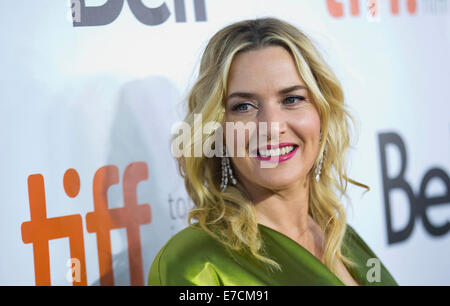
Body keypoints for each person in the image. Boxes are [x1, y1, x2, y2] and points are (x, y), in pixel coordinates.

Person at [148, 17, 398, 286]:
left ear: (322, 114)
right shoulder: (196, 265)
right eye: (243, 106)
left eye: (292, 99)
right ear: (217, 130)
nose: (271, 126)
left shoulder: (340, 236)